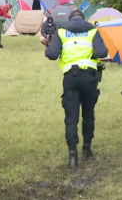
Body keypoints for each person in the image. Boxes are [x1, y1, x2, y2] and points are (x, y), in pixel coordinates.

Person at [45, 10, 108, 169]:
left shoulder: (61, 32)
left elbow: (52, 54)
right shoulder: (92, 31)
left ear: (70, 19)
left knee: (71, 118)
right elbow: (102, 52)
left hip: (70, 79)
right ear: (83, 19)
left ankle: (72, 156)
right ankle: (87, 149)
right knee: (88, 114)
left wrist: (48, 46)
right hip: (89, 77)